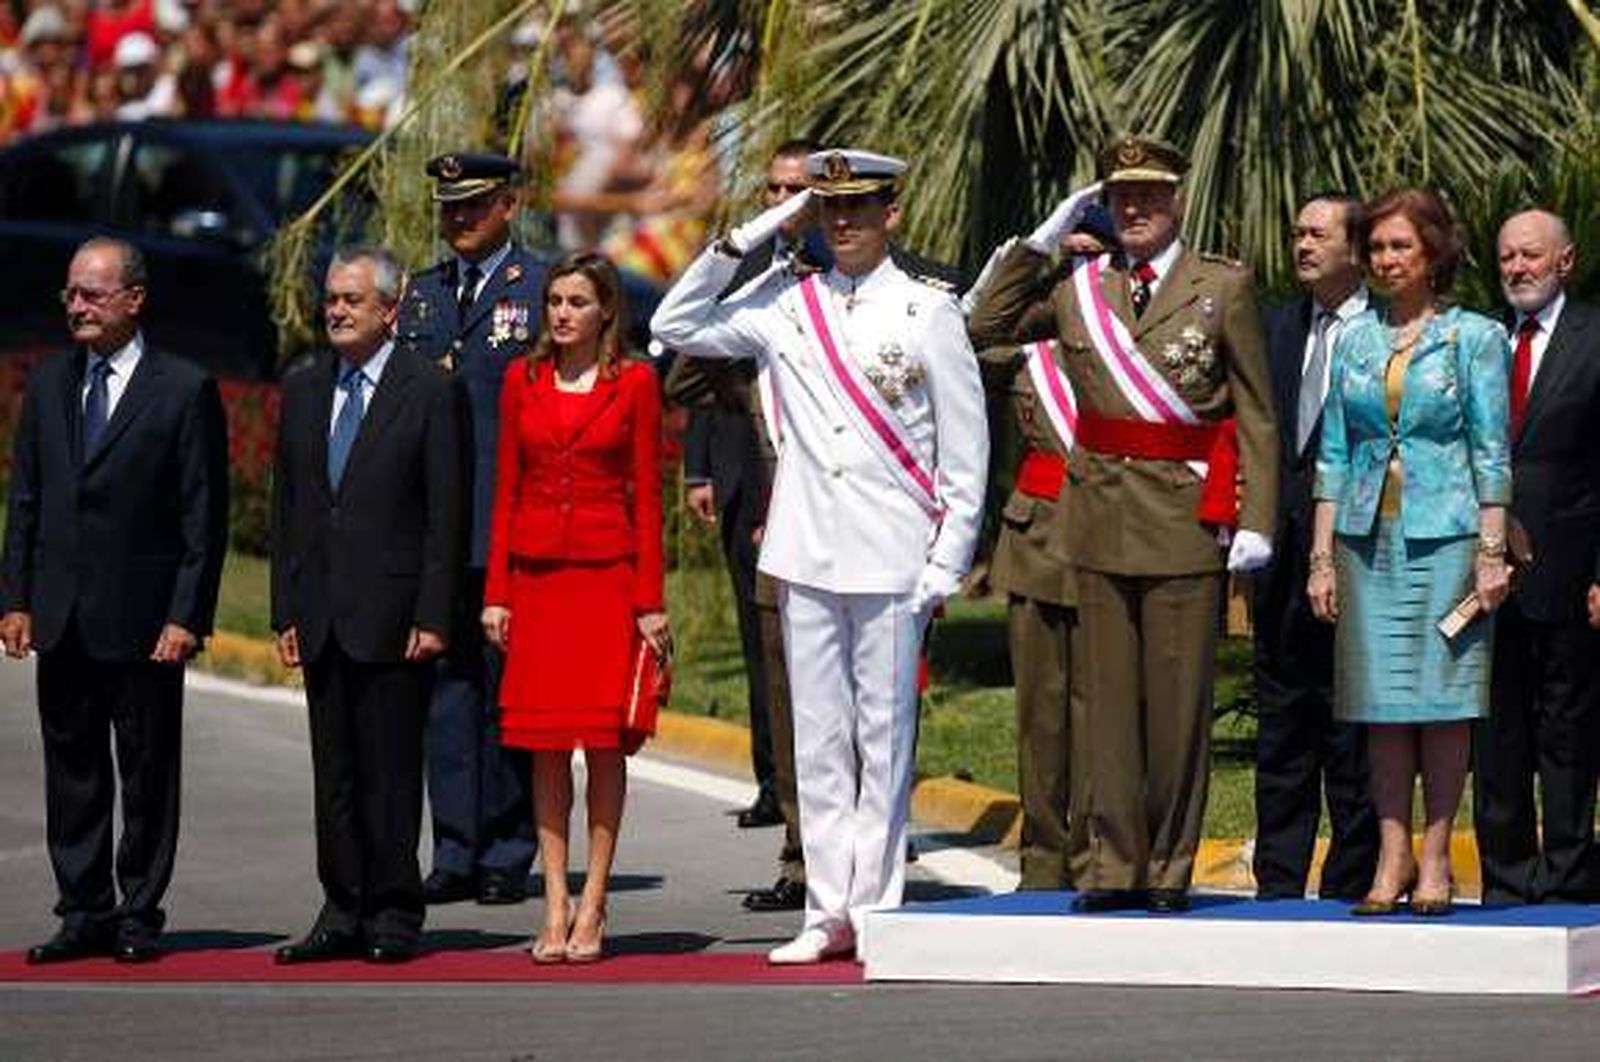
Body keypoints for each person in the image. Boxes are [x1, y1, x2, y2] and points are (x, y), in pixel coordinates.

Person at [652, 149, 988, 963]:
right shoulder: (783, 301)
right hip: (806, 550)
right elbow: (672, 325)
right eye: (828, 209)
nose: (843, 223)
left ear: (891, 214)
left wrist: (947, 560)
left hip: (892, 553)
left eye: (859, 208)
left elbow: (964, 447)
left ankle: (874, 907)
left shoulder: (926, 311)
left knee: (883, 735)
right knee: (818, 740)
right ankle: (824, 908)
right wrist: (770, 223)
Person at [970, 136, 1278, 913]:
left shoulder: (1222, 286)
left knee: (1176, 710)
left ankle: (1168, 867)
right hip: (1098, 520)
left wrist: (1257, 519)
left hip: (1183, 519)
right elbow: (985, 325)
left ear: (1177, 199)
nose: (1134, 209)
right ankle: (1112, 867)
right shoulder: (1080, 290)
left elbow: (1257, 415)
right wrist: (1042, 241)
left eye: (1149, 195)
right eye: (1120, 196)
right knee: (1104, 708)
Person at [0, 236, 229, 964]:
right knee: (72, 773)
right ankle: (83, 909)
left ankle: (137, 910)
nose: (76, 307)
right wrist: (16, 599)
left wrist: (186, 616)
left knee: (147, 770)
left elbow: (203, 517)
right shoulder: (48, 384)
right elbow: (26, 500)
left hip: (144, 619)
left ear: (135, 299)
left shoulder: (183, 388)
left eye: (92, 294)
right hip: (61, 613)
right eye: (70, 294)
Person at [1308, 188, 1511, 917]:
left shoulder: (1474, 337)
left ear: (1433, 255)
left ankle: (1435, 856)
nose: (1386, 260)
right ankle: (1390, 854)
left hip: (1448, 535)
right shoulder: (1355, 340)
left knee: (1443, 703)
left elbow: (1491, 448)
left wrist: (1492, 549)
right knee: (1380, 706)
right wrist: (1322, 557)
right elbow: (1333, 453)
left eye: (1401, 247)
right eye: (1378, 247)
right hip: (1367, 541)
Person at [272, 246, 463, 964]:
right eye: (331, 299)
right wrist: (285, 608)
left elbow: (444, 513)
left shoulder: (427, 390)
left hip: (394, 613)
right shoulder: (305, 385)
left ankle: (393, 910)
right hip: (322, 611)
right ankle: (341, 907)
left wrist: (433, 614)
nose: (338, 311)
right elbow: (290, 506)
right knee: (336, 775)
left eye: (352, 300)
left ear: (390, 309)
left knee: (388, 769)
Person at [480, 252, 666, 963]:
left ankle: (595, 901)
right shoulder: (521, 378)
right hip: (536, 580)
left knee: (603, 745)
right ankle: (554, 900)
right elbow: (507, 489)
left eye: (577, 302)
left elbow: (647, 497)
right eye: (554, 301)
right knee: (545, 747)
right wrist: (496, 591)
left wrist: (650, 602)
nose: (561, 313)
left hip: (605, 580)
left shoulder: (636, 383)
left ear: (605, 312)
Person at [662, 138, 825, 915]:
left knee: (854, 705)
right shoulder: (760, 293)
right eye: (773, 193)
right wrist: (748, 265)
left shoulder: (890, 287)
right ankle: (799, 854)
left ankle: (860, 855)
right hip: (774, 510)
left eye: (801, 194)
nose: (784, 207)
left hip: (853, 521)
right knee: (783, 686)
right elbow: (684, 364)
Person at [397, 152, 542, 909]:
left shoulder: (540, 291)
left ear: (509, 206)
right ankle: (454, 847)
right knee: (447, 692)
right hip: (436, 527)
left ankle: (508, 849)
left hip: (508, 521)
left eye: (474, 206)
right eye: (450, 207)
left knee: (507, 688)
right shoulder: (420, 295)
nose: (458, 219)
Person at [964, 209, 1118, 891]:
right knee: (1041, 715)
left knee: (1101, 708)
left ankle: (1096, 853)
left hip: (1112, 538)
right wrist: (1038, 245)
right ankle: (1046, 856)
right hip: (1035, 541)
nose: (1082, 267)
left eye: (1096, 255)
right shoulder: (1031, 348)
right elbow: (977, 328)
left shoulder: (1132, 342)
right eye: (1072, 256)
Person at [1251, 194, 1378, 901]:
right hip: (1279, 557)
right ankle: (1278, 881)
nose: (1301, 244)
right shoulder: (1276, 327)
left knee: (1351, 731)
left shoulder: (1386, 333)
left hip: (1358, 556)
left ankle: (1349, 881)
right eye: (1296, 231)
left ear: (1355, 250)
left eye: (1317, 234)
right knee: (1284, 726)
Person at [1474, 209, 1600, 905]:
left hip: (1569, 569)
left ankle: (1571, 871)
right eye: (1506, 259)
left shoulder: (1594, 338)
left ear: (1565, 261)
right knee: (1496, 729)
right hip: (1485, 572)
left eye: (1530, 256)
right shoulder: (1479, 340)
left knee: (1569, 727)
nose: (1517, 269)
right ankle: (1506, 873)